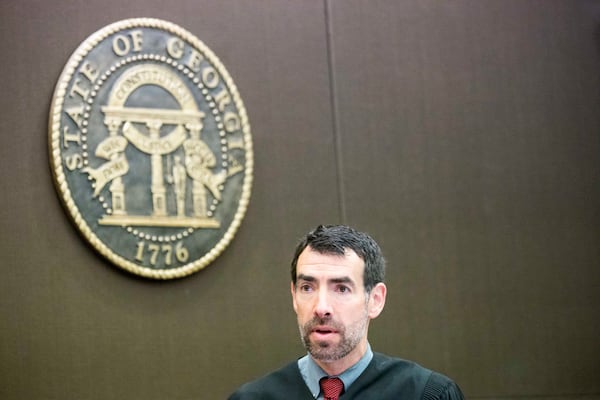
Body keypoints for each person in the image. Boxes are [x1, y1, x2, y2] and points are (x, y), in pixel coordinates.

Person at [228, 224, 464, 400]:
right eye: (307, 287)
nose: (321, 308)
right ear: (294, 296)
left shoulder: (426, 394)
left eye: (341, 288)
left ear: (375, 300)